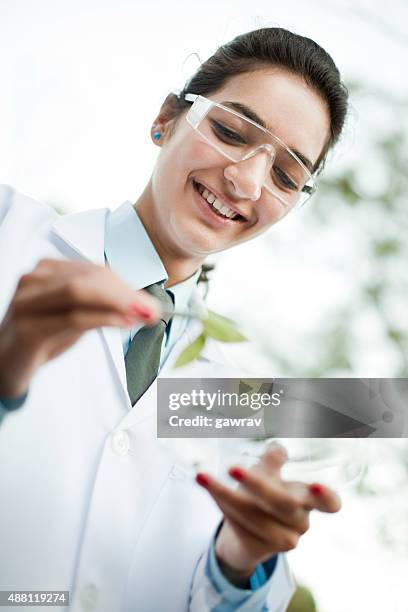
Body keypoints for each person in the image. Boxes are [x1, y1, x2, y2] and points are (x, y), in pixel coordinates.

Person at [0, 27, 348, 612]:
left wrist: (238, 564)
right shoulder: (10, 232)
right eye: (232, 131)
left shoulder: (236, 404)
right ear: (166, 118)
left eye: (286, 176)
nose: (248, 181)